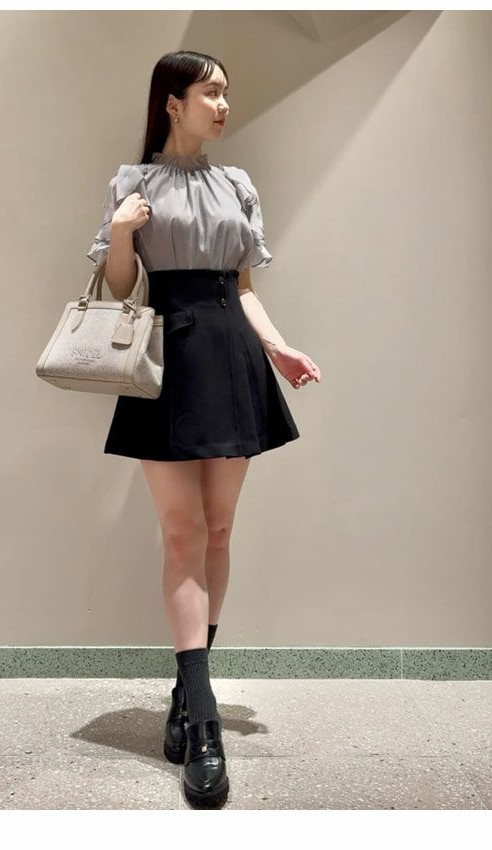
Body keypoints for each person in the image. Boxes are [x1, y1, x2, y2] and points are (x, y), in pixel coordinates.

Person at [87, 50, 321, 809]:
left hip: (230, 353)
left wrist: (277, 346)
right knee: (182, 533)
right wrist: (122, 231)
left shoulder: (236, 184)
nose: (223, 105)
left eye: (225, 93)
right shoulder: (133, 183)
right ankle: (205, 719)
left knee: (218, 529)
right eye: (210, 92)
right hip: (168, 355)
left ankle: (187, 694)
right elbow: (120, 286)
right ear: (173, 102)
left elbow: (244, 288)